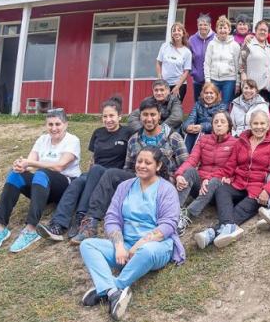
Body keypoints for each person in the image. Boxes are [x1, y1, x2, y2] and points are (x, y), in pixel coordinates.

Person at [78, 146, 185, 321]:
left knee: (147, 251)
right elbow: (112, 218)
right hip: (125, 247)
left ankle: (113, 286)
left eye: (148, 162)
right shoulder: (124, 186)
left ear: (158, 166)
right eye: (139, 161)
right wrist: (119, 246)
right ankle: (113, 293)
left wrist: (140, 244)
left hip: (156, 247)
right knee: (87, 245)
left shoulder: (167, 189)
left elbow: (168, 225)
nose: (142, 165)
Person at [71, 98, 189, 244]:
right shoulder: (134, 140)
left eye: (153, 114)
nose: (149, 118)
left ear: (159, 116)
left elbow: (186, 164)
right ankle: (90, 223)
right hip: (138, 180)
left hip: (163, 183)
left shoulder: (174, 137)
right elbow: (127, 167)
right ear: (140, 116)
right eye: (145, 115)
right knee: (111, 174)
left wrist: (178, 176)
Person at [0, 108, 81, 254]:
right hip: (42, 186)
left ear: (66, 124)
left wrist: (31, 164)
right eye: (50, 124)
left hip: (64, 187)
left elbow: (59, 166)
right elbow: (29, 162)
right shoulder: (42, 139)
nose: (54, 128)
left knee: (42, 173)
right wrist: (20, 164)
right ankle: (0, 228)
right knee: (15, 175)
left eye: (58, 124)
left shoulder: (72, 140)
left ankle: (31, 229)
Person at [37, 97, 131, 242]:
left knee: (96, 170)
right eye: (105, 116)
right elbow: (93, 159)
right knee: (77, 182)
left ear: (120, 116)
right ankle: (58, 226)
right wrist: (86, 177)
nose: (108, 119)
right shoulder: (98, 133)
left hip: (112, 176)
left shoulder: (127, 132)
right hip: (95, 172)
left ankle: (81, 216)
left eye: (111, 116)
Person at [194, 111, 270, 249]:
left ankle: (212, 232)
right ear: (250, 125)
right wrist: (209, 178)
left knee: (239, 210)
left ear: (268, 126)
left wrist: (267, 190)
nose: (259, 127)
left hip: (257, 190)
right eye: (255, 123)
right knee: (221, 189)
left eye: (262, 123)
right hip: (238, 184)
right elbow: (228, 168)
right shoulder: (241, 142)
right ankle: (228, 228)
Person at [174, 110, 238, 229]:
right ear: (212, 125)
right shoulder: (203, 139)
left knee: (215, 181)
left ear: (229, 125)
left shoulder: (235, 143)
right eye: (216, 122)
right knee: (189, 171)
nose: (219, 124)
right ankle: (172, 212)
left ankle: (186, 216)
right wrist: (179, 174)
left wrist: (208, 179)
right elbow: (192, 160)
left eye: (223, 122)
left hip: (218, 187)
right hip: (201, 183)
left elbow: (230, 169)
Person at [203, 15, 241, 105]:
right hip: (213, 79)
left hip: (229, 80)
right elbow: (207, 63)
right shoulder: (211, 44)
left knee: (225, 105)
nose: (222, 30)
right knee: (211, 103)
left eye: (225, 28)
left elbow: (238, 65)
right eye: (220, 28)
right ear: (216, 29)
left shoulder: (235, 45)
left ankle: (224, 119)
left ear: (229, 29)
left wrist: (238, 83)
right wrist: (207, 80)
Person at [181, 83, 226, 152]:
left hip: (212, 133)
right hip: (197, 130)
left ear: (216, 95)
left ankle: (195, 156)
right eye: (206, 93)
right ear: (202, 94)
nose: (208, 95)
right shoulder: (198, 104)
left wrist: (201, 127)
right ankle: (185, 156)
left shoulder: (221, 107)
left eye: (211, 93)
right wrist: (187, 126)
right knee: (189, 133)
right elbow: (191, 117)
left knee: (201, 134)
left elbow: (217, 124)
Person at [155, 22, 192, 102]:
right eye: (174, 30)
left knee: (174, 109)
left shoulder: (187, 52)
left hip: (179, 85)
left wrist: (177, 87)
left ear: (183, 33)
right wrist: (160, 78)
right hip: (164, 84)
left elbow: (186, 72)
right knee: (162, 109)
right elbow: (158, 63)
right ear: (171, 34)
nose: (176, 32)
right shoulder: (164, 46)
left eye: (179, 30)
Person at [239, 20, 270, 102]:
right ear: (255, 31)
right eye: (260, 29)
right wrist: (245, 85)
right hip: (251, 90)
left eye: (265, 30)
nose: (262, 32)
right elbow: (242, 67)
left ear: (268, 32)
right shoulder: (248, 44)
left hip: (266, 90)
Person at [189, 14, 215, 102]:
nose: (203, 27)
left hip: (213, 78)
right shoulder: (192, 39)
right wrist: (194, 72)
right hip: (198, 79)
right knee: (198, 103)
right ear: (197, 25)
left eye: (205, 25)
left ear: (210, 25)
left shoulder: (216, 38)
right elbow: (188, 59)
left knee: (212, 103)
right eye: (200, 25)